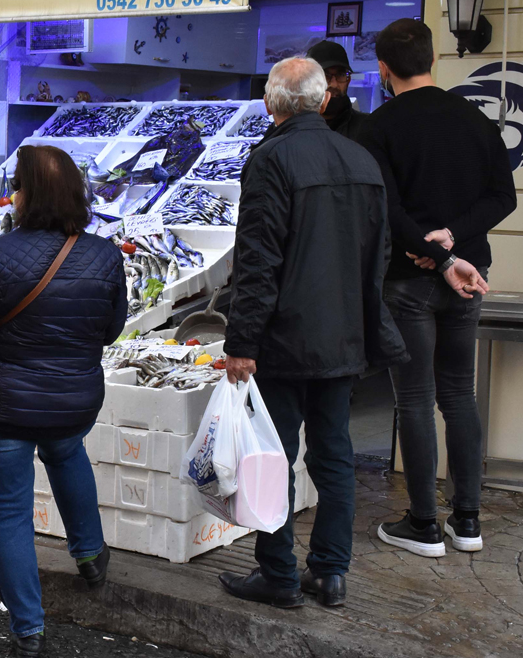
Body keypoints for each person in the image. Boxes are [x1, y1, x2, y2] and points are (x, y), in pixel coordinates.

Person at [219, 57, 407, 609]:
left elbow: (257, 261)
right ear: (323, 101)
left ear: (271, 104)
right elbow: (382, 254)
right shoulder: (361, 159)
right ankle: (329, 574)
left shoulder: (270, 159)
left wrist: (241, 342)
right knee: (333, 455)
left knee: (271, 458)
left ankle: (278, 574)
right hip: (343, 338)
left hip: (282, 341)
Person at [0, 145, 127, 658]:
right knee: (67, 454)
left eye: (17, 186)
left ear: (26, 196)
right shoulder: (105, 255)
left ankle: (29, 631)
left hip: (2, 408)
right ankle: (90, 555)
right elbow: (111, 332)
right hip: (72, 401)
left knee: (8, 512)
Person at [359, 19, 516, 558]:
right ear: (433, 58)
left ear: (382, 68)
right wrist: (456, 241)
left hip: (410, 282)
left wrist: (437, 249)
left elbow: (385, 208)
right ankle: (467, 521)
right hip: (470, 276)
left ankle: (424, 524)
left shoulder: (378, 126)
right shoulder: (476, 120)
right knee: (459, 394)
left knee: (417, 400)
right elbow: (504, 198)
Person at [306, 40, 368, 140]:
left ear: (349, 80)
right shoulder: (291, 129)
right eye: (325, 76)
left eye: (341, 75)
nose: (334, 84)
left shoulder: (368, 128)